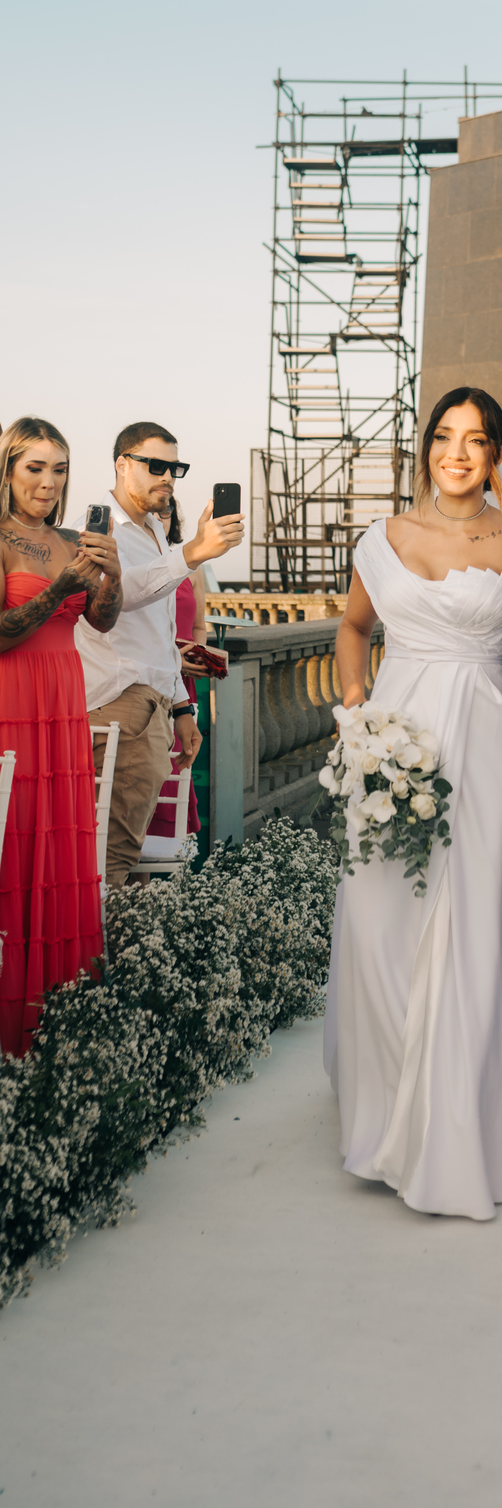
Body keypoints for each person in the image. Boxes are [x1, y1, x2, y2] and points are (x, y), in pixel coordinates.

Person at [324, 386, 502, 1221]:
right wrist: (354, 708)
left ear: (495, 456)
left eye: (476, 440)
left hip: (487, 743)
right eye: (445, 437)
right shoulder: (380, 539)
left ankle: (464, 1120)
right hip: (393, 740)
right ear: (427, 450)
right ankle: (385, 1110)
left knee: (477, 921)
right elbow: (353, 628)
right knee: (382, 924)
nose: (458, 452)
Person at [74, 423, 244, 891]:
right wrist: (192, 553)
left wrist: (182, 708)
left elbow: (161, 634)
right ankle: (91, 961)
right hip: (118, 706)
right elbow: (118, 597)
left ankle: (108, 956)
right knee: (111, 855)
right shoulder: (100, 526)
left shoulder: (153, 530)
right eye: (156, 466)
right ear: (122, 465)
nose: (168, 477)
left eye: (175, 468)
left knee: (123, 857)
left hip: (151, 706)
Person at [0, 418, 121, 1055]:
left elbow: (100, 622)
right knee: (14, 848)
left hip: (62, 705)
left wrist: (112, 576)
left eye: (60, 469)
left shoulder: (74, 539)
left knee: (60, 848)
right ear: (9, 471)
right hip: (12, 703)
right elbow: (2, 631)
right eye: (35, 468)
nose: (49, 483)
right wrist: (60, 587)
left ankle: (61, 1018)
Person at [145, 497, 205, 842]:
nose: (156, 518)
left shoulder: (192, 568)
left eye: (164, 513)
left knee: (178, 770)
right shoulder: (132, 562)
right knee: (151, 774)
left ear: (172, 520)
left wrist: (200, 654)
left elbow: (199, 626)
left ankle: (165, 871)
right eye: (150, 512)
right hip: (152, 678)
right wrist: (173, 658)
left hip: (185, 684)